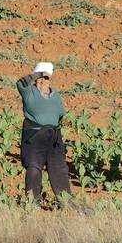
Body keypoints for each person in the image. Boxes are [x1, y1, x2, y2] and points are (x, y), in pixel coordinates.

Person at [15, 61, 72, 206]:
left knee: (59, 169)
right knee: (33, 167)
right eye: (40, 77)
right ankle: (32, 202)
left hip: (53, 136)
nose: (43, 81)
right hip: (34, 135)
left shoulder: (55, 94)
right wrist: (38, 74)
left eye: (46, 78)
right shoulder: (29, 91)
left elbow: (60, 115)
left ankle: (65, 202)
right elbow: (20, 82)